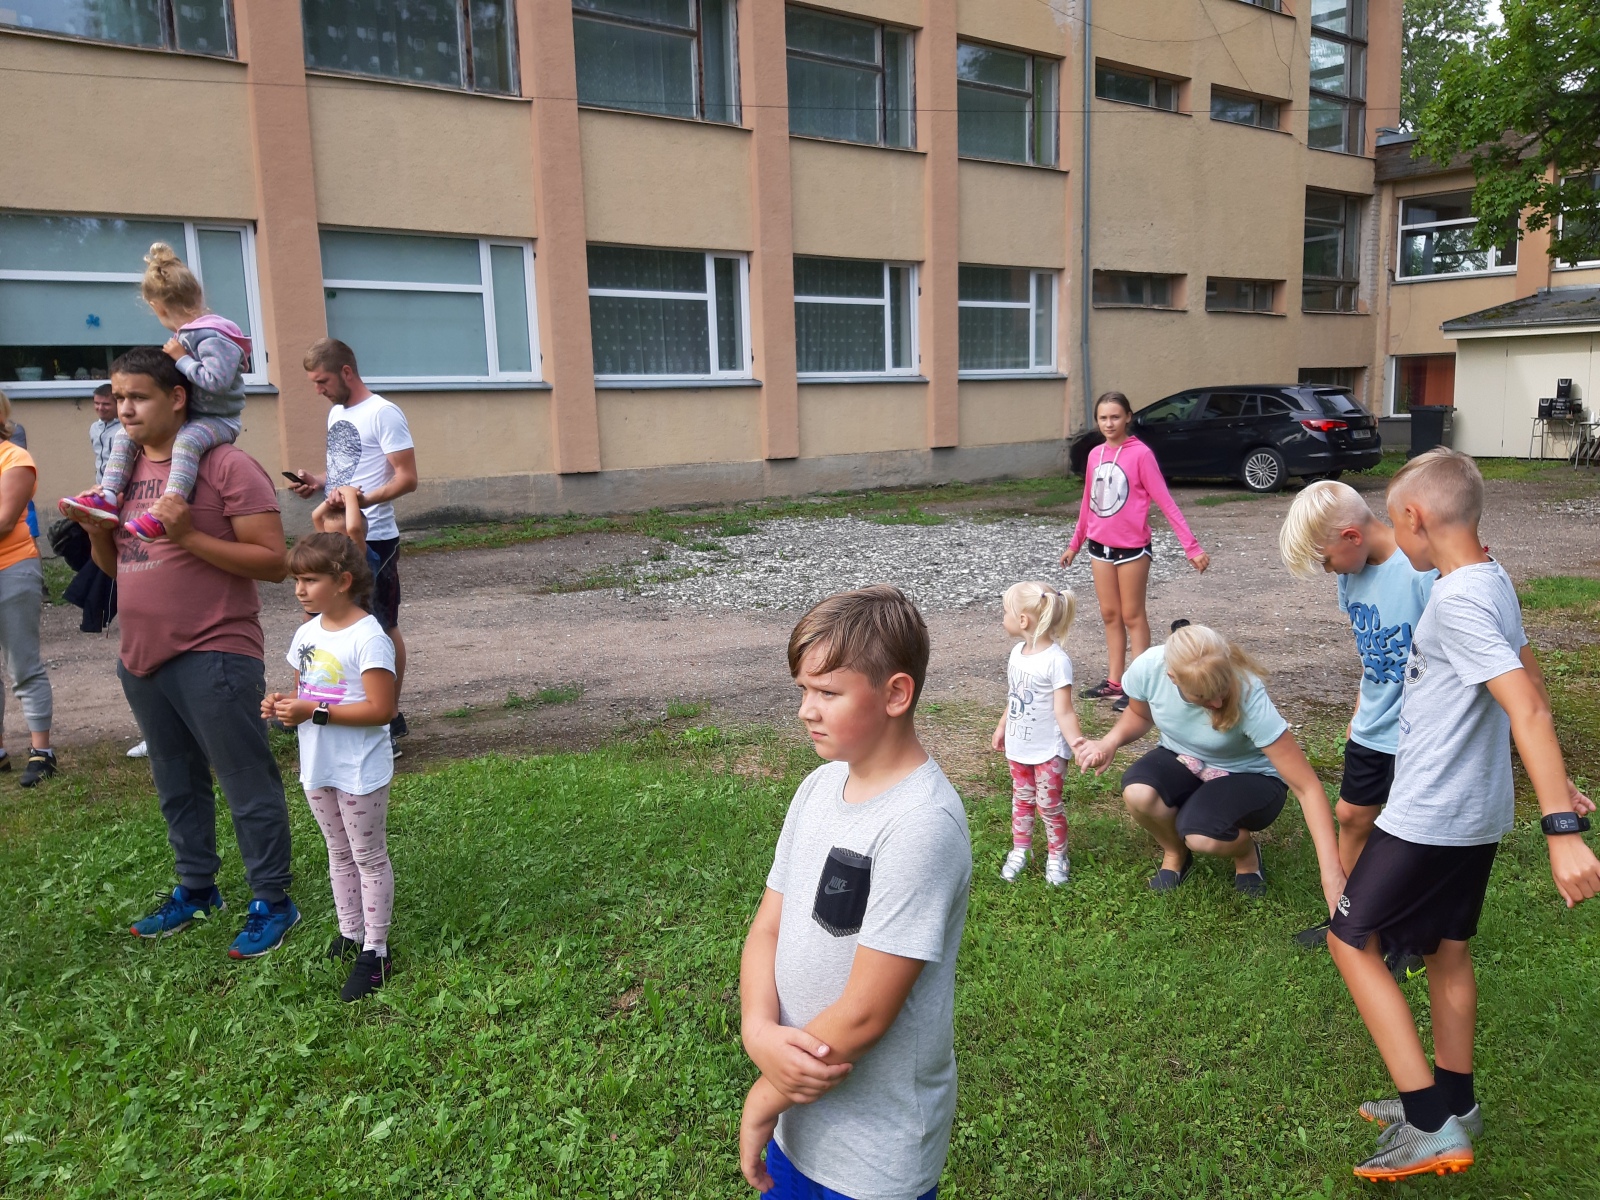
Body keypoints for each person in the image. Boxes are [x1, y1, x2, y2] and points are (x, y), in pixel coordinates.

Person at [1325, 449, 1600, 1182]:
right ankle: (1456, 1102)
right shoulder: (1489, 577)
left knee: (1350, 939)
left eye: (1394, 522)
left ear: (1415, 519)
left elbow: (1526, 705)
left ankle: (1428, 1124)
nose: (1394, 537)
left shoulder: (1455, 601)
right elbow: (1529, 675)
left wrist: (1562, 829)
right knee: (1446, 949)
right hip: (1471, 812)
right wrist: (1561, 781)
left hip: (1431, 812)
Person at [63, 347, 300, 960]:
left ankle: (273, 900)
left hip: (213, 649)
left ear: (176, 397)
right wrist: (96, 533)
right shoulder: (124, 469)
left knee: (245, 780)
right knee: (175, 781)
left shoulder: (226, 465)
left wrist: (189, 534)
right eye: (118, 397)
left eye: (137, 396)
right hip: (141, 655)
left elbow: (274, 563)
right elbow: (119, 567)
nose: (124, 408)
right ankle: (196, 889)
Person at [738, 586, 971, 1200]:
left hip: (874, 1157)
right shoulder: (817, 789)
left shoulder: (920, 825)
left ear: (896, 694)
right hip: (799, 1126)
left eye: (827, 693)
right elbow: (768, 927)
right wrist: (758, 1032)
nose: (805, 711)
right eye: (802, 691)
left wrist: (764, 1097)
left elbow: (865, 1014)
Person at [1075, 623, 1345, 906]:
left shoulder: (1249, 693)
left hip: (1250, 773)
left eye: (1221, 690)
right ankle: (1175, 853)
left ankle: (1246, 854)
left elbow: (1308, 788)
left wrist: (1332, 875)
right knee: (1138, 793)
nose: (1216, 702)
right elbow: (1140, 715)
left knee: (1202, 835)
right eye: (1203, 697)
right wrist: (1109, 742)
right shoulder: (1150, 668)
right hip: (1184, 758)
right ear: (1172, 678)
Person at [1279, 480, 1435, 959]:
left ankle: (1411, 937)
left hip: (1420, 732)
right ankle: (1347, 919)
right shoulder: (1351, 576)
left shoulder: (1421, 571)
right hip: (1371, 724)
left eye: (1326, 560)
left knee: (1413, 835)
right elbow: (1371, 656)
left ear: (1352, 536)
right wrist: (1357, 710)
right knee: (1350, 815)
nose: (1328, 571)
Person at [263, 532, 398, 1002]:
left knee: (367, 857)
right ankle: (349, 932)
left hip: (358, 769)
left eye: (310, 580)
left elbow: (382, 710)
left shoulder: (369, 636)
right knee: (337, 852)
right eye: (296, 580)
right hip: (318, 765)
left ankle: (376, 950)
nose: (300, 590)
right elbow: (305, 692)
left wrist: (313, 712)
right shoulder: (307, 633)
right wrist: (284, 705)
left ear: (342, 581)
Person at [59, 244, 252, 544]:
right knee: (124, 435)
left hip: (219, 420)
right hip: (195, 416)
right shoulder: (188, 335)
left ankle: (166, 511)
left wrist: (181, 359)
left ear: (156, 307)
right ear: (197, 294)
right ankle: (108, 496)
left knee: (187, 441)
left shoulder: (213, 336)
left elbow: (216, 382)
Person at [291, 339, 417, 752]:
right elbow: (347, 471)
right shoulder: (337, 413)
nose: (318, 390)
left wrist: (361, 502)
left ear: (346, 372)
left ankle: (389, 715)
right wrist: (319, 484)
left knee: (379, 624)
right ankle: (324, 702)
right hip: (338, 531)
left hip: (373, 534)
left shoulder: (383, 412)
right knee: (327, 618)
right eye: (314, 383)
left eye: (323, 381)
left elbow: (407, 478)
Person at [1060, 391, 1209, 714]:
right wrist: (1075, 544)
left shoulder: (1141, 454)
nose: (1109, 423)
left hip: (1132, 549)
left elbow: (1165, 502)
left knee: (1132, 615)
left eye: (1115, 417)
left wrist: (1192, 547)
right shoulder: (1095, 455)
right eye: (1103, 418)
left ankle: (1137, 686)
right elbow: (1088, 503)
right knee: (1110, 614)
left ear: (1128, 417)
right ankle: (1115, 681)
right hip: (1099, 548)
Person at [990, 581, 1084, 886]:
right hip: (1020, 745)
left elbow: (1064, 711)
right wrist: (1003, 725)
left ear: (1022, 620)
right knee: (1021, 799)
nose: (1002, 617)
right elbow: (1014, 695)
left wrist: (1077, 745)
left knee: (1048, 804)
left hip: (1048, 750)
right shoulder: (1017, 654)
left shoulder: (1057, 661)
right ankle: (1022, 849)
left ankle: (1057, 855)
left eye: (1005, 612)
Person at [0, 390, 56, 787]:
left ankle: (42, 752)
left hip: (11, 568)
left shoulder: (15, 459)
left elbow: (5, 520)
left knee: (22, 664)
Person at [90, 382, 119, 478]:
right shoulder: (94, 428)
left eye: (106, 404)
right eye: (97, 403)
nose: (100, 408)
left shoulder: (125, 429)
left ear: (118, 404)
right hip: (100, 483)